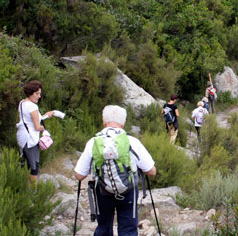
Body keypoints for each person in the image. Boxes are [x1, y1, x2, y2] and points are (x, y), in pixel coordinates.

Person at [74, 105, 156, 236]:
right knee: (128, 229)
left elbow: (79, 175)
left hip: (103, 191)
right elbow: (151, 171)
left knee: (104, 228)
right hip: (128, 192)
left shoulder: (93, 142)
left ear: (103, 121)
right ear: (123, 123)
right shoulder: (132, 141)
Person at [16, 80, 54, 184]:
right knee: (34, 167)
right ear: (30, 92)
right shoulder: (33, 106)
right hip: (30, 140)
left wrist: (46, 115)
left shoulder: (22, 103)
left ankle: (22, 187)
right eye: (37, 93)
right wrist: (44, 130)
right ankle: (32, 193)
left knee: (25, 164)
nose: (39, 96)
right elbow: (37, 126)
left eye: (40, 94)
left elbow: (30, 120)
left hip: (22, 138)